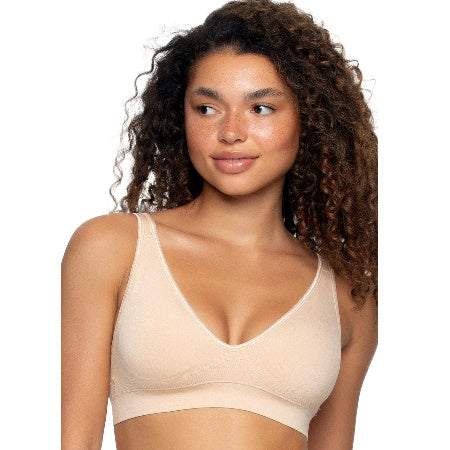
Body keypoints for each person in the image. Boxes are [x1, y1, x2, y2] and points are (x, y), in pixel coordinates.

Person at [61, 0, 378, 448]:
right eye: (207, 108)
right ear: (181, 116)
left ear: (310, 118)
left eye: (261, 108)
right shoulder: (112, 248)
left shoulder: (348, 298)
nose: (231, 132)